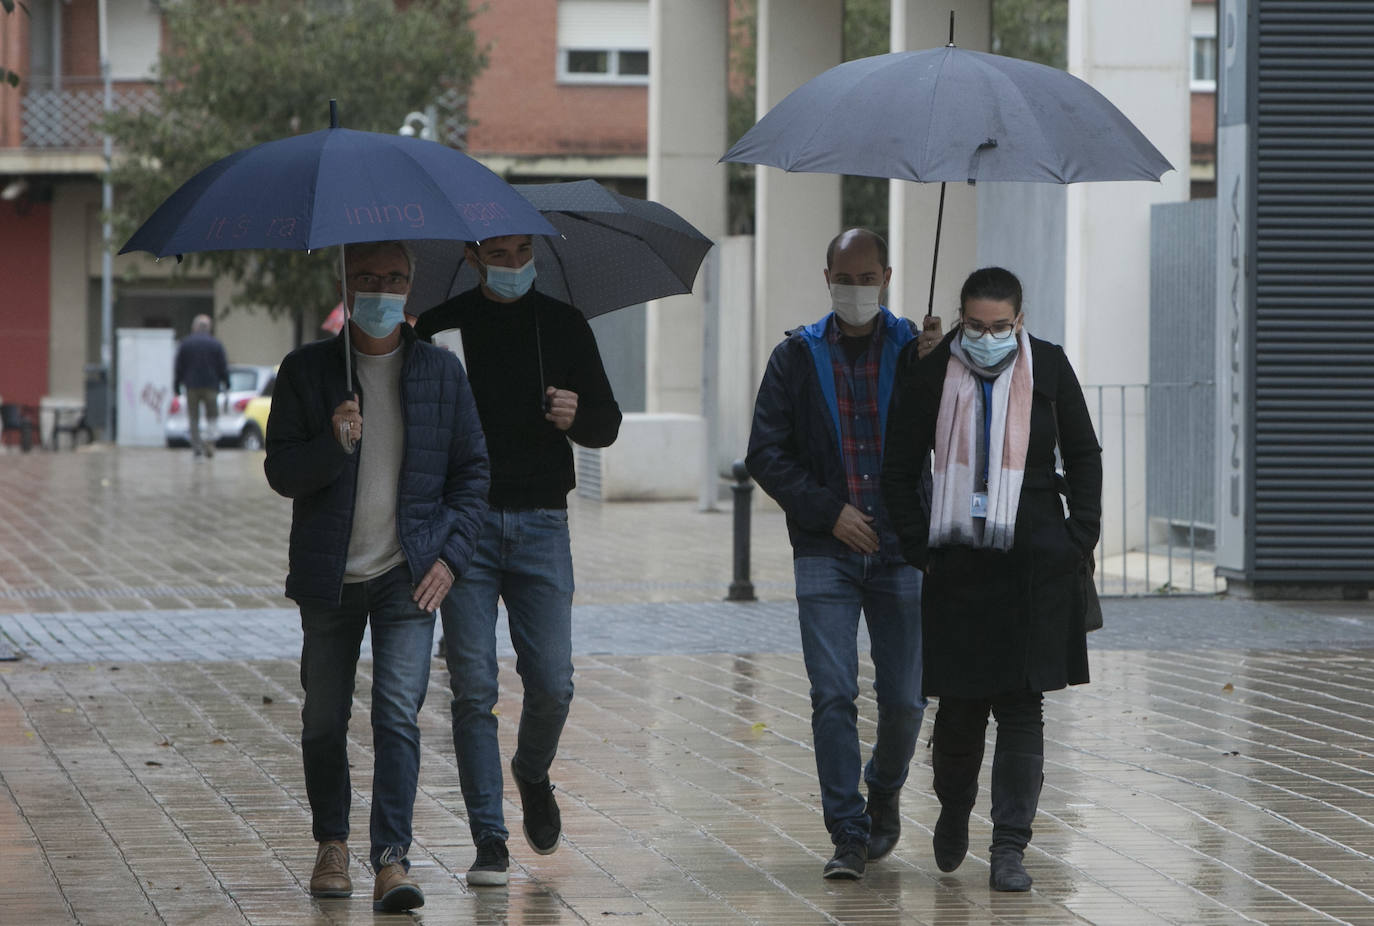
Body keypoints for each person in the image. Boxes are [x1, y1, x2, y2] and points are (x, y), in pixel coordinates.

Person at [264, 240, 490, 913]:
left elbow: (473, 475)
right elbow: (281, 472)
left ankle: (392, 857)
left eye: (394, 278)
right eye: (367, 277)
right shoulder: (308, 371)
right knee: (322, 720)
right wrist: (330, 444)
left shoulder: (441, 373)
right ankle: (331, 843)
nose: (381, 289)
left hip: (407, 573)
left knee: (397, 714)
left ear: (411, 286)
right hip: (330, 576)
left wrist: (450, 559)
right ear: (346, 282)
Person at [881, 266, 1102, 892]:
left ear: (1019, 321)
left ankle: (1010, 846)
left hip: (1034, 557)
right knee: (958, 705)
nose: (987, 337)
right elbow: (898, 468)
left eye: (999, 327)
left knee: (1022, 704)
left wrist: (1078, 536)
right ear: (960, 319)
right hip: (956, 557)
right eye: (975, 326)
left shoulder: (1051, 367)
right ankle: (954, 806)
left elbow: (1083, 454)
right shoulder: (928, 372)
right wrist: (919, 545)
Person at [415, 234, 622, 887]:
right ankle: (489, 840)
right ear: (474, 258)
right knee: (473, 687)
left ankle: (531, 772)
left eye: (521, 252)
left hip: (541, 523)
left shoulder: (561, 323)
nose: (512, 266)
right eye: (498, 255)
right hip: (466, 528)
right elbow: (419, 425)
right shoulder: (443, 327)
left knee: (554, 681)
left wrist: (576, 414)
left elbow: (607, 422)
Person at [745, 227, 940, 881]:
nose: (856, 291)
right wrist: (830, 511)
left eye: (867, 279)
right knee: (832, 694)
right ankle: (849, 832)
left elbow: (955, 435)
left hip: (901, 549)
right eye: (844, 279)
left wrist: (943, 368)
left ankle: (883, 786)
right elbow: (765, 453)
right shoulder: (796, 357)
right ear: (826, 275)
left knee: (907, 699)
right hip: (825, 552)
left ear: (887, 276)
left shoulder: (916, 349)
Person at [173, 313, 230, 457]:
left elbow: (179, 366)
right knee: (212, 416)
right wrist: (226, 382)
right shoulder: (216, 344)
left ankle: (197, 447)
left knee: (193, 417)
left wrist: (177, 384)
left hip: (191, 386)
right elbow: (223, 366)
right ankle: (210, 443)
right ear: (209, 327)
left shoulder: (185, 344)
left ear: (194, 327)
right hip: (211, 386)